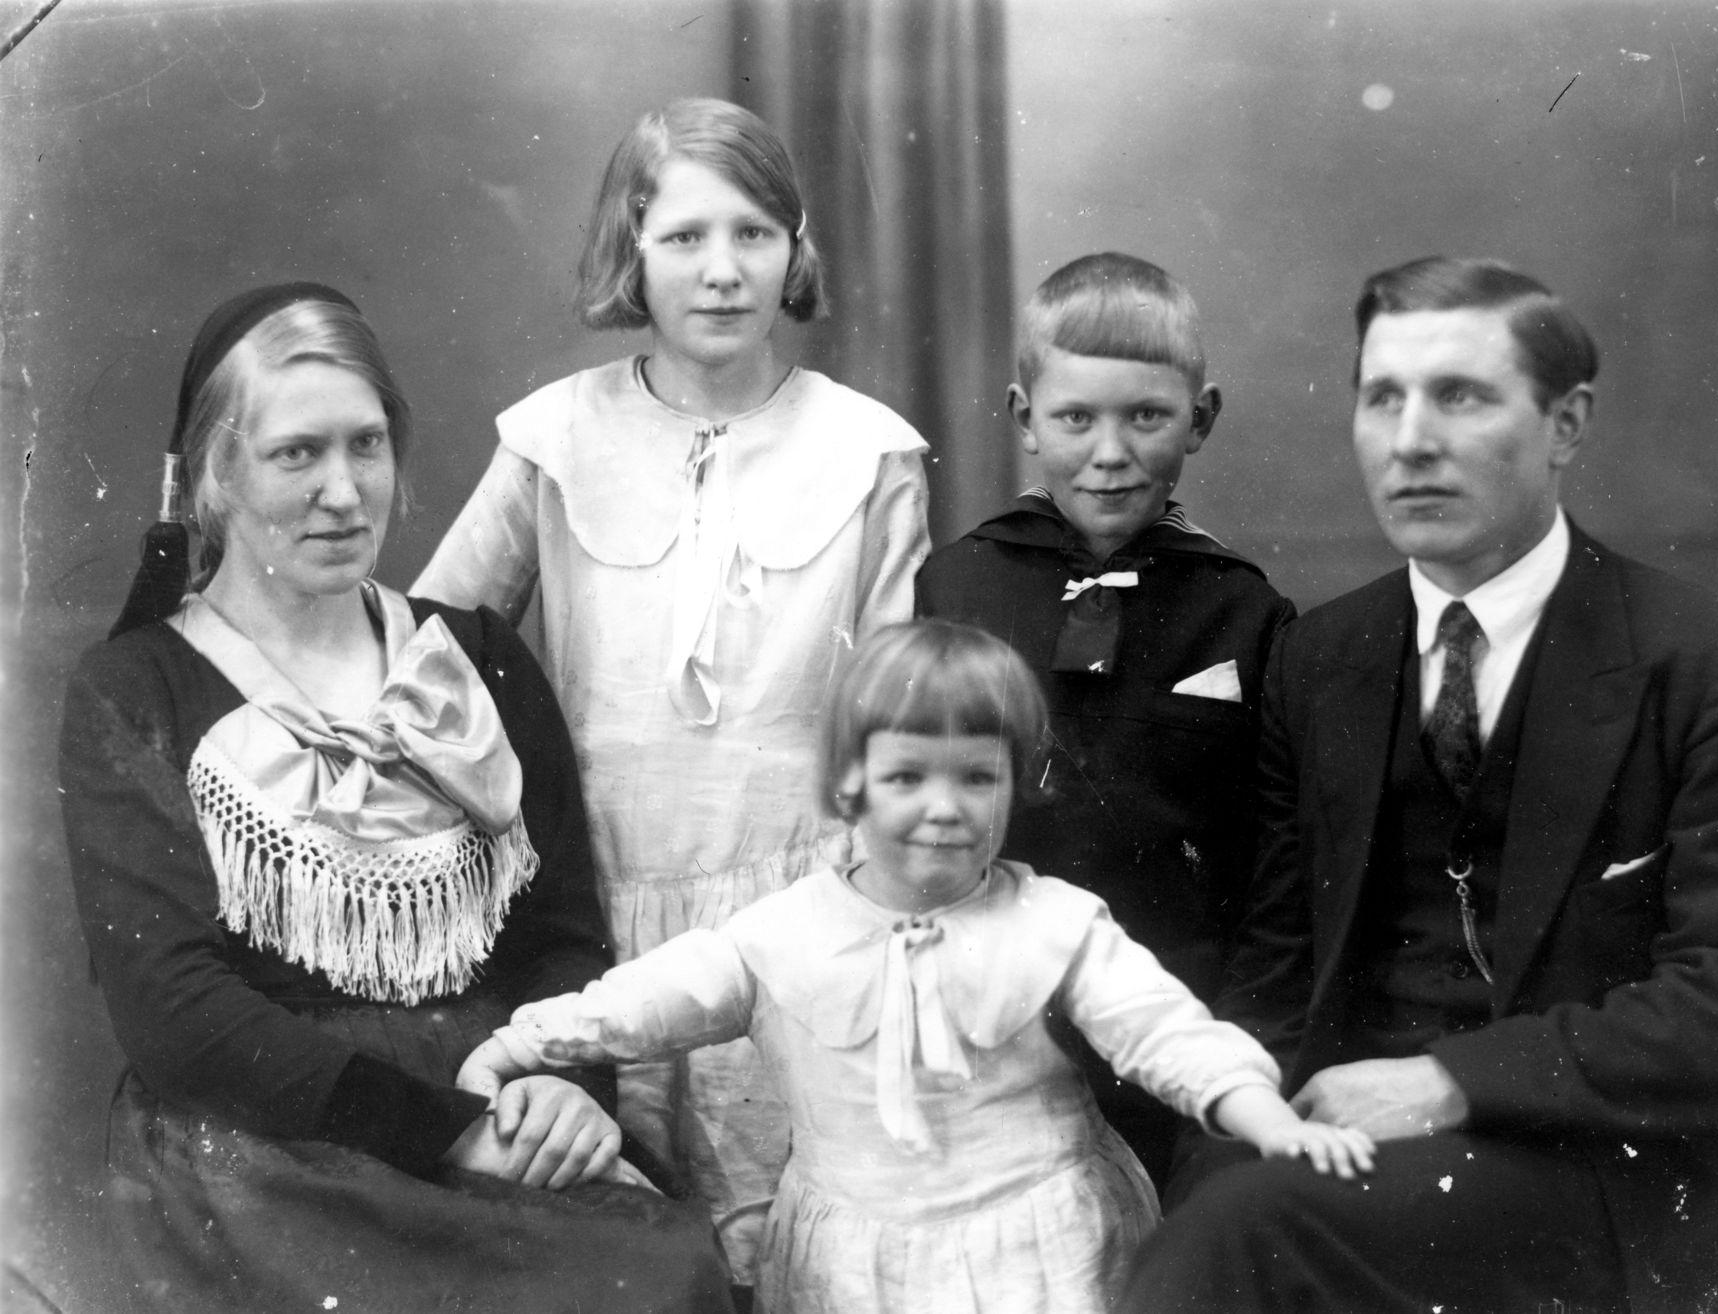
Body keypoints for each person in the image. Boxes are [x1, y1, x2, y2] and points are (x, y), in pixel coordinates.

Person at [1119, 256, 1718, 1314]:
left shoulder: (1708, 665)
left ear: (1566, 424)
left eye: (1459, 396)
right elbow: (1275, 976)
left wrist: (1452, 1082)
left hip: (1612, 1182)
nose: (1410, 441)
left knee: (1244, 1234)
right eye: (1382, 398)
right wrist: (1215, 1163)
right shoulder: (1322, 659)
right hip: (1349, 1169)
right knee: (1201, 1214)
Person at [59, 284, 732, 1311]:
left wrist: (561, 1085)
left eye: (365, 446)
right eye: (297, 453)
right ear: (215, 478)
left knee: (659, 1278)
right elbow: (174, 1012)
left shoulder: (477, 660)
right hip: (272, 1138)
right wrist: (449, 1134)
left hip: (499, 1091)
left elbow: (561, 936)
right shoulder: (137, 689)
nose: (344, 492)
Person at [456, 620, 1373, 1314]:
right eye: (907, 778)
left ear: (1017, 781)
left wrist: (1266, 1119)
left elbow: (1163, 1030)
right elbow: (648, 1002)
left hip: (1040, 1249)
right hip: (854, 1269)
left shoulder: (1054, 926)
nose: (945, 808)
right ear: (847, 785)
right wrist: (521, 1044)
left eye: (977, 777)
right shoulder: (780, 935)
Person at [411, 99, 931, 1279]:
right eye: (686, 237)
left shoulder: (870, 452)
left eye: (754, 234)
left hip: (792, 921)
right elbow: (424, 659)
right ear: (631, 251)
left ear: (795, 250)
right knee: (619, 1250)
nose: (722, 270)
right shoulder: (554, 436)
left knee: (793, 1247)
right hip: (588, 918)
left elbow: (894, 717)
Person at [916, 252, 1292, 1189]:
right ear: (1024, 418)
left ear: (1201, 418)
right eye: (1075, 418)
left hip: (1174, 1000)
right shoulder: (957, 584)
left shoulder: (1244, 611)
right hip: (991, 1004)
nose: (1111, 453)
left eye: (1147, 417)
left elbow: (1271, 855)